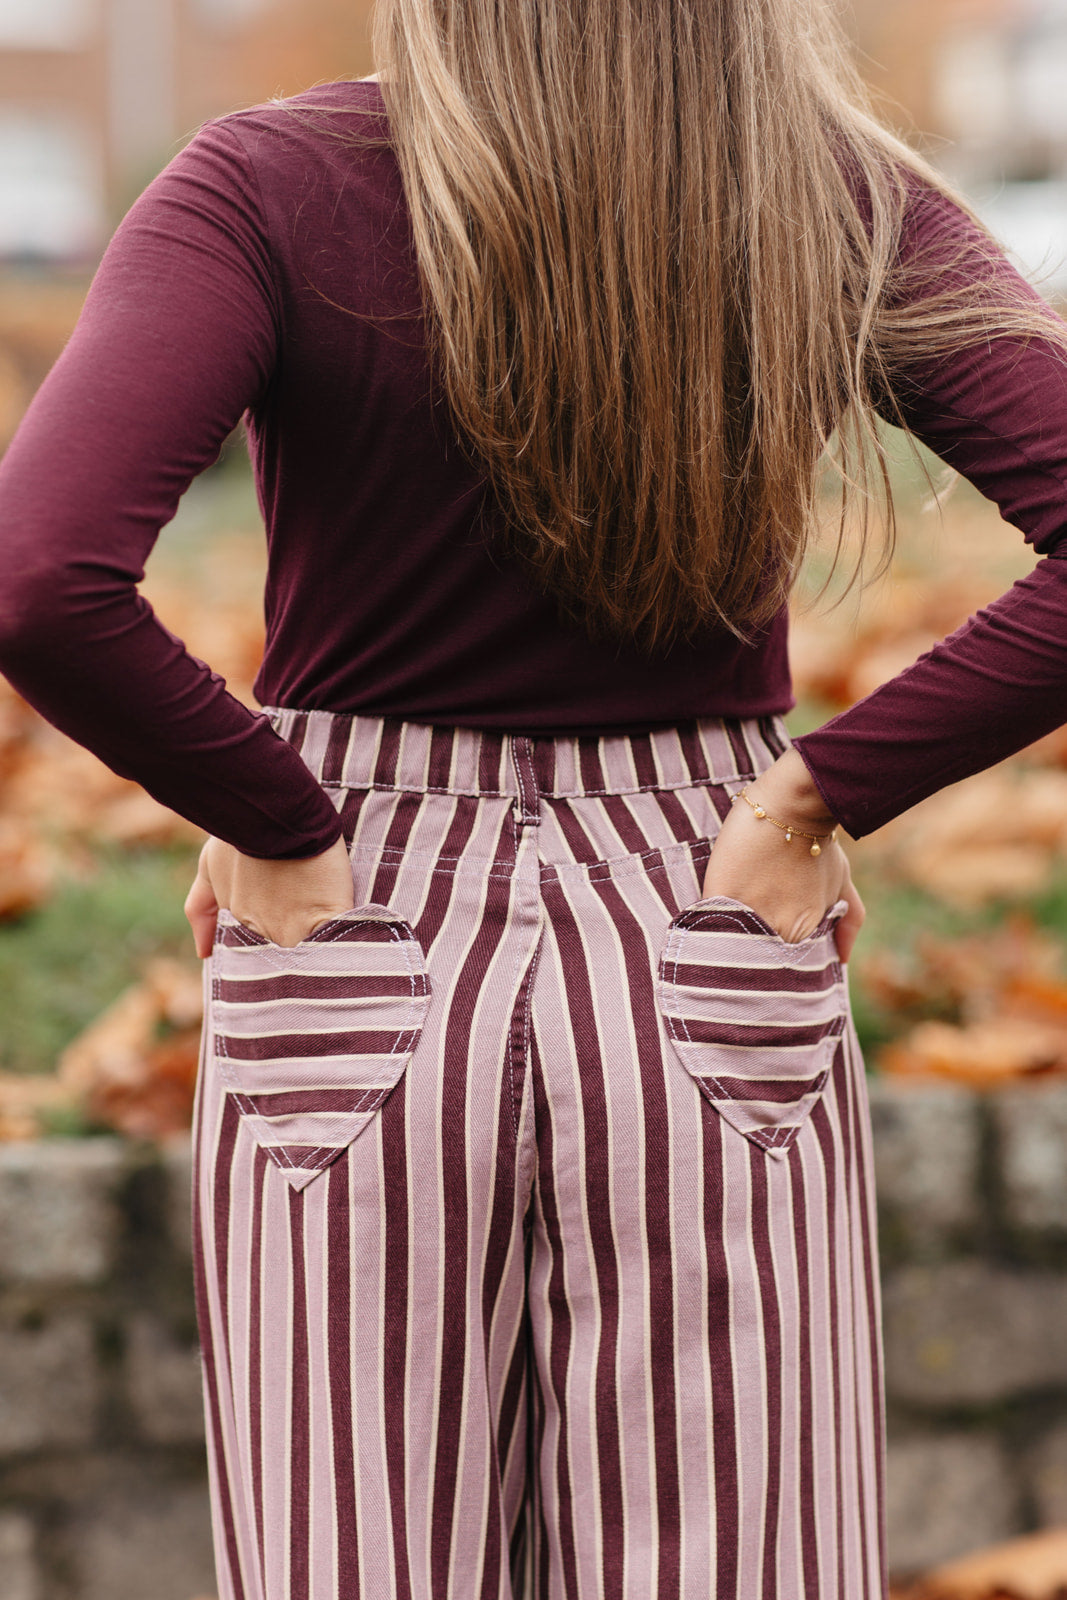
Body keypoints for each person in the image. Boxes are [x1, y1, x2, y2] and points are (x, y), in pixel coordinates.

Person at [2, 1, 1067, 1595]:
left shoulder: (265, 182)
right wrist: (817, 798)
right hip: (709, 901)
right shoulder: (829, 193)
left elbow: (37, 579)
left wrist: (274, 813)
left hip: (355, 907)